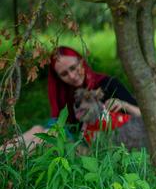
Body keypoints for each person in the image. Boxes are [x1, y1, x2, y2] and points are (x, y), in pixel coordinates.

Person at [1, 46, 141, 152]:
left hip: (96, 148)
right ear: (59, 77)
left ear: (81, 61)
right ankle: (4, 155)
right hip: (75, 138)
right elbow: (58, 122)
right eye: (64, 74)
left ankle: (7, 160)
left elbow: (144, 115)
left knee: (44, 137)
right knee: (37, 129)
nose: (72, 76)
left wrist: (124, 105)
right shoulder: (66, 92)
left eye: (74, 68)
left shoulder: (109, 84)